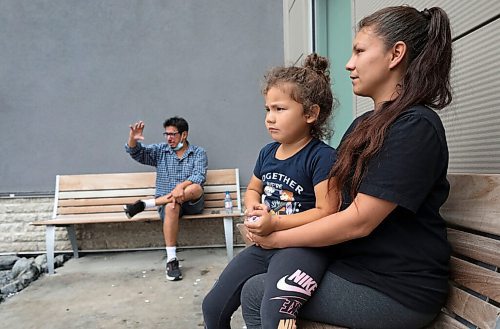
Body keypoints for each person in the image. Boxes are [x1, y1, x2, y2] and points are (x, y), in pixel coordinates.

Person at [241, 5, 453, 329]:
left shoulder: (415, 126)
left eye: (359, 51)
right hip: (354, 267)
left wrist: (276, 239)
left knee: (258, 294)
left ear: (396, 54)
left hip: (397, 288)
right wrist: (270, 224)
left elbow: (359, 222)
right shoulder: (363, 124)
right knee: (260, 275)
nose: (349, 64)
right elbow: (332, 204)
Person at [202, 54, 339, 329]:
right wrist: (253, 207)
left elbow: (328, 211)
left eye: (279, 109)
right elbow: (254, 188)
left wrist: (275, 222)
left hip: (303, 248)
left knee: (275, 316)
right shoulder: (267, 153)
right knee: (212, 306)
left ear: (311, 114)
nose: (269, 118)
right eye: (267, 109)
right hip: (265, 243)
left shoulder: (322, 157)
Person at [124, 116, 208, 281]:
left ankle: (145, 204)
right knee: (172, 206)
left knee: (195, 187)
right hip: (169, 207)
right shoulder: (160, 151)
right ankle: (171, 260)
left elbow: (198, 175)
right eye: (166, 134)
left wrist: (180, 186)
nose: (169, 138)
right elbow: (137, 153)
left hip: (192, 203)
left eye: (173, 134)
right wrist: (132, 139)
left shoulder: (198, 152)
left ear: (184, 135)